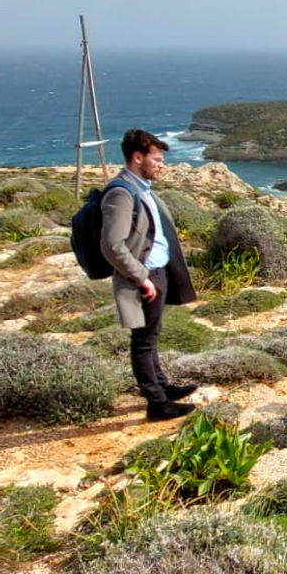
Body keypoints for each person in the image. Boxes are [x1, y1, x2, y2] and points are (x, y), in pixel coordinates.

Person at [100, 128, 199, 421]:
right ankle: (157, 403)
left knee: (151, 335)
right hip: (144, 277)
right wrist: (141, 276)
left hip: (157, 273)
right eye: (156, 159)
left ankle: (163, 387)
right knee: (143, 341)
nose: (161, 165)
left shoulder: (140, 188)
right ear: (137, 157)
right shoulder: (121, 193)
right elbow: (111, 245)